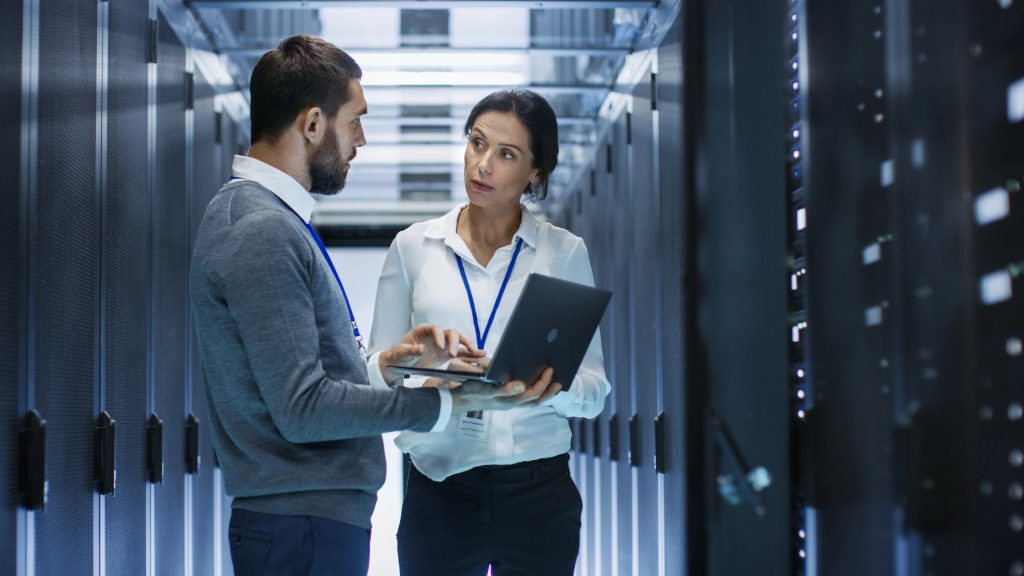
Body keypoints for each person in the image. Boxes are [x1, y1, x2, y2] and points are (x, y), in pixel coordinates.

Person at [189, 36, 555, 576]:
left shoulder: (268, 219)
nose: (361, 139)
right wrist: (446, 404)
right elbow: (303, 408)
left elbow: (299, 381)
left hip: (306, 522)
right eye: (354, 120)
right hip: (302, 526)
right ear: (313, 124)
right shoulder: (262, 230)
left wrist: (387, 365)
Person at [367, 89, 610, 575]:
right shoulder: (413, 247)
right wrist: (426, 378)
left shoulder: (563, 253)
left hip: (538, 492)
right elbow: (373, 375)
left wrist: (549, 390)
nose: (483, 165)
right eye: (477, 143)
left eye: (506, 154)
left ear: (536, 172)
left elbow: (595, 389)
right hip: (437, 487)